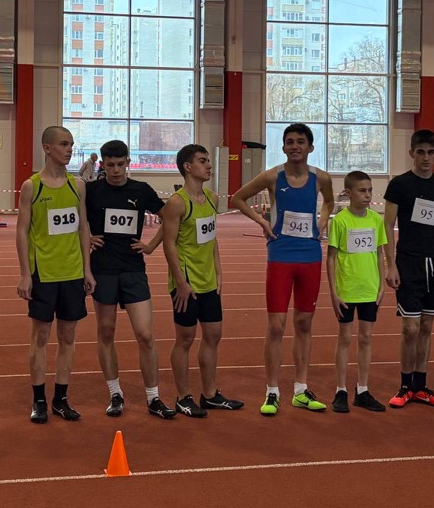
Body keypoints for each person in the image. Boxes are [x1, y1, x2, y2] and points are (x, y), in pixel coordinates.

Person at [231, 123, 334, 417]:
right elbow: (237, 198)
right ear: (284, 147)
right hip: (280, 256)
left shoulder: (321, 178)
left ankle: (300, 390)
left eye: (300, 141)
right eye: (289, 142)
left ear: (310, 147)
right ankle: (272, 391)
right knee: (276, 326)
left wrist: (321, 223)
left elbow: (329, 201)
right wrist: (262, 222)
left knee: (304, 324)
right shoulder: (272, 177)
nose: (294, 146)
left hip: (310, 256)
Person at [86, 139, 175, 419]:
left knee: (145, 334)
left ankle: (153, 397)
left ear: (128, 162)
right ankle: (115, 393)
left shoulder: (141, 190)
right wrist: (85, 239)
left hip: (133, 269)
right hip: (103, 270)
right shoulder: (91, 191)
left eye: (120, 164)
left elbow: (170, 217)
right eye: (110, 165)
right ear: (103, 164)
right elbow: (75, 220)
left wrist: (151, 246)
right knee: (106, 332)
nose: (115, 170)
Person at [17, 126, 96, 424]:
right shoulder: (32, 186)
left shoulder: (78, 186)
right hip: (43, 274)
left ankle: (60, 399)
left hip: (72, 273)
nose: (69, 149)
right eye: (63, 144)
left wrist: (87, 269)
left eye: (71, 144)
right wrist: (25, 274)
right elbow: (21, 231)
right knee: (40, 337)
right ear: (47, 148)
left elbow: (83, 227)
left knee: (68, 336)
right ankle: (38, 400)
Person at [162, 144, 244, 417]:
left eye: (208, 160)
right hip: (186, 284)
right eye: (202, 161)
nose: (209, 165)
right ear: (188, 167)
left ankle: (209, 394)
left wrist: (219, 271)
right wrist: (181, 282)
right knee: (185, 339)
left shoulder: (211, 198)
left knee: (213, 335)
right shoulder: (177, 203)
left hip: (209, 281)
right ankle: (182, 397)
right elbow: (169, 245)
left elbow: (211, 238)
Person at [383, 130, 434, 409]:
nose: (426, 157)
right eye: (420, 152)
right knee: (410, 328)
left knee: (426, 326)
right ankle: (405, 386)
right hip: (408, 262)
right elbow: (387, 225)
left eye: (430, 152)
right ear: (411, 153)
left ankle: (420, 386)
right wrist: (390, 265)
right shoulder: (399, 185)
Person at [327, 171, 387, 414]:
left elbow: (379, 254)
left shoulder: (375, 220)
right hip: (347, 290)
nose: (367, 195)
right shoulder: (340, 221)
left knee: (366, 338)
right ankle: (340, 389)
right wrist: (333, 291)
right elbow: (331, 258)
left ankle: (362, 389)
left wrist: (381, 285)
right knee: (345, 338)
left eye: (370, 190)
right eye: (362, 191)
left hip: (369, 289)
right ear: (349, 193)